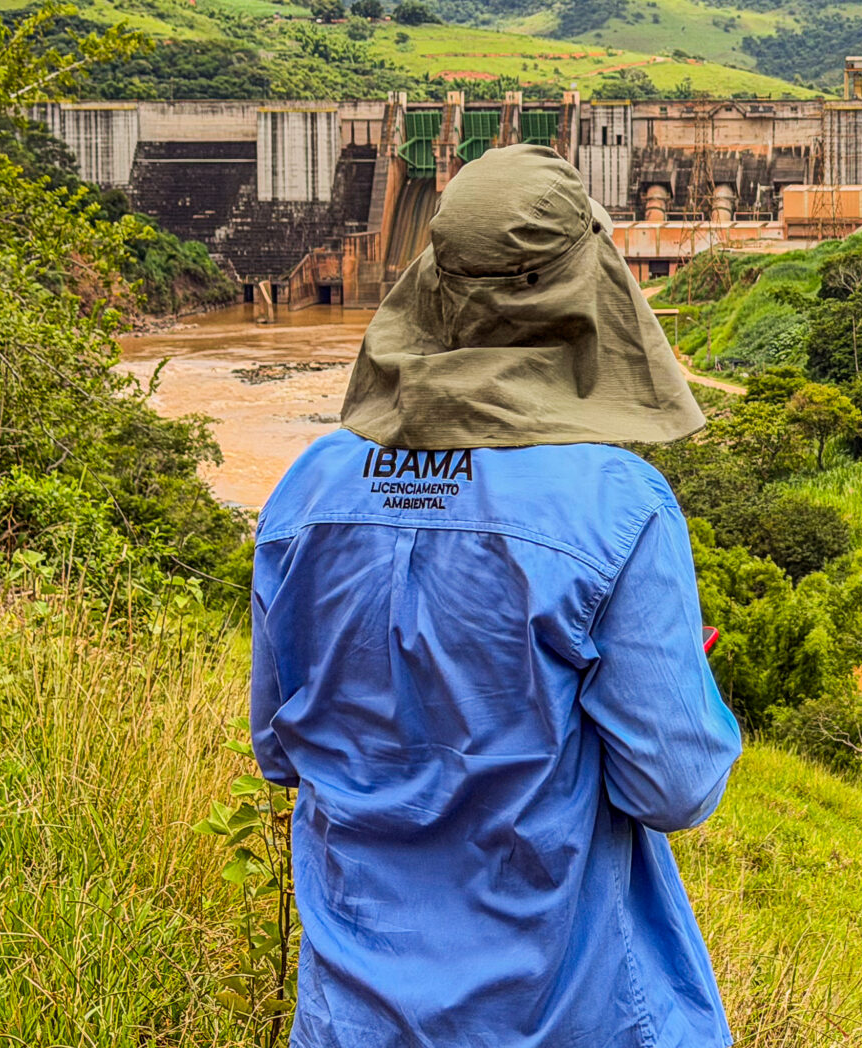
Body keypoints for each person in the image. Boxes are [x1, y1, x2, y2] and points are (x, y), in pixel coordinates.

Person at [249, 143, 741, 1048]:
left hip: (351, 1019)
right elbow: (674, 787)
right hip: (567, 1012)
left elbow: (282, 749)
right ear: (584, 296)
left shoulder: (308, 489)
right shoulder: (617, 505)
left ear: (432, 288)